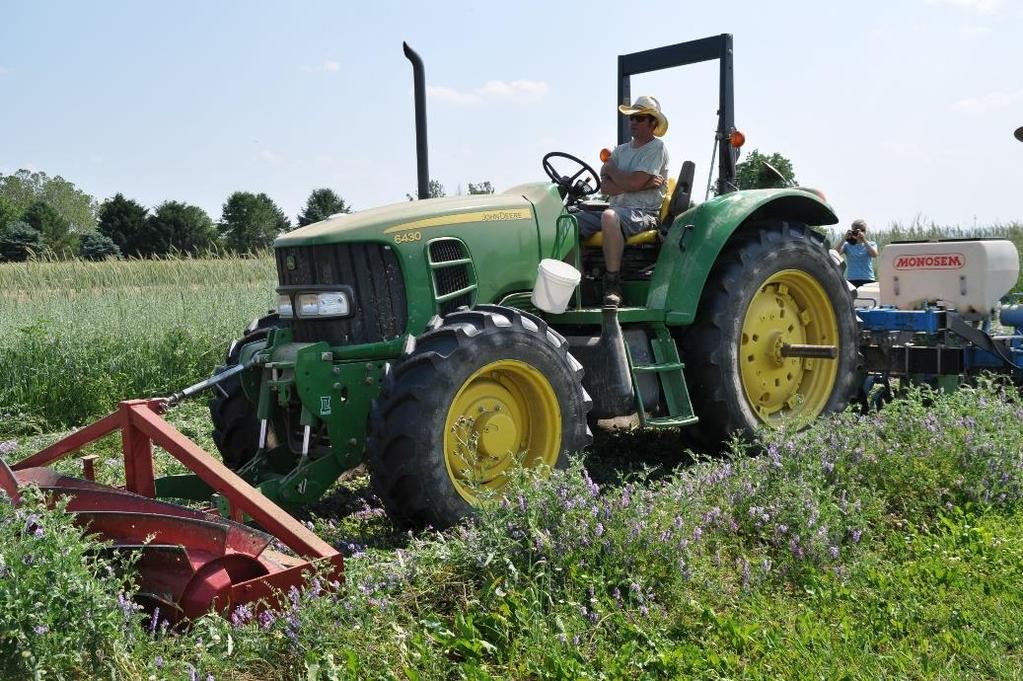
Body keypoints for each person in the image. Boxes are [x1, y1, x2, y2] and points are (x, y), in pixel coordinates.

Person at [575, 95, 669, 306]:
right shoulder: (621, 150)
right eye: (632, 118)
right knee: (568, 221)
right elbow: (606, 186)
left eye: (640, 118)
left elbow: (622, 180)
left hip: (643, 213)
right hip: (618, 208)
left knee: (609, 216)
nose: (633, 122)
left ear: (653, 123)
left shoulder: (656, 148)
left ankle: (612, 283)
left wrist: (616, 173)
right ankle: (579, 284)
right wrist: (639, 183)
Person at [835, 219, 879, 287]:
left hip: (868, 279)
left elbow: (874, 254)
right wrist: (844, 238)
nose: (860, 232)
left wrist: (864, 240)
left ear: (866, 231)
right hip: (852, 279)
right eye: (856, 230)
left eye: (863, 230)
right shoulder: (847, 245)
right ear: (853, 231)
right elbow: (835, 253)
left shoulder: (872, 244)